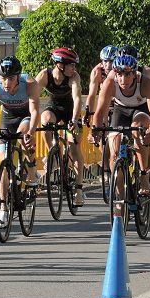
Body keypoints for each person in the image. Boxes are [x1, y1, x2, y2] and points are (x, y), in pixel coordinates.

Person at [0, 56, 42, 225]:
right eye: (3, 78)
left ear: (18, 76)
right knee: (4, 162)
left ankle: (32, 169)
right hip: (7, 119)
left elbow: (34, 112)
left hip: (25, 116)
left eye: (10, 78)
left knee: (23, 136)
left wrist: (31, 131)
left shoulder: (30, 84)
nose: (6, 82)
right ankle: (3, 206)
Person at [91, 53, 150, 208]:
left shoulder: (145, 83)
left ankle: (144, 176)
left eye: (127, 74)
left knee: (138, 131)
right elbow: (99, 112)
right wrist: (96, 131)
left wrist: (149, 135)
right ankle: (121, 199)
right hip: (120, 110)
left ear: (135, 74)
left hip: (141, 110)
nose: (123, 80)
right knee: (114, 152)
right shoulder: (110, 82)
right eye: (120, 75)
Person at [34, 47, 86, 206]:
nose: (74, 68)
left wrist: (74, 120)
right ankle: (52, 153)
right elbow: (32, 95)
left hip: (71, 111)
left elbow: (77, 99)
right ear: (60, 65)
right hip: (54, 108)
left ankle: (78, 189)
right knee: (45, 119)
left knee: (74, 146)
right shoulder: (45, 75)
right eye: (71, 65)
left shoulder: (74, 77)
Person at [83, 45, 117, 123]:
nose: (108, 65)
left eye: (112, 61)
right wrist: (88, 112)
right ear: (101, 61)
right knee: (98, 127)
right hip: (104, 102)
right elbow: (92, 95)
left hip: (119, 102)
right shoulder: (97, 71)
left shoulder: (121, 71)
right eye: (105, 61)